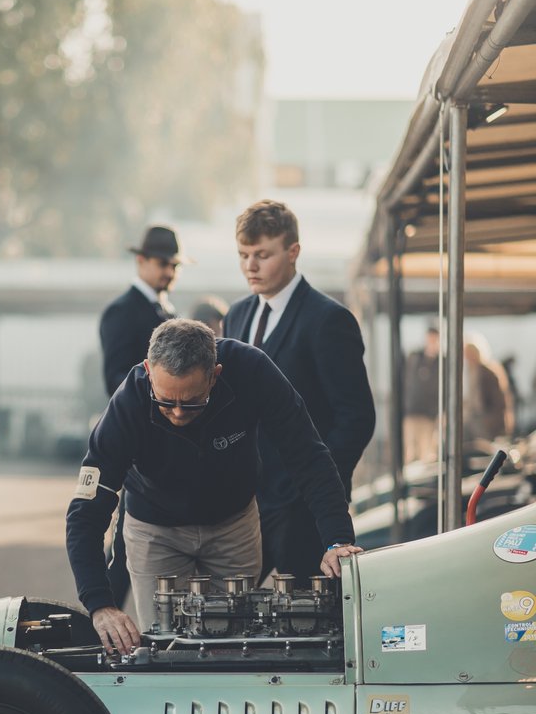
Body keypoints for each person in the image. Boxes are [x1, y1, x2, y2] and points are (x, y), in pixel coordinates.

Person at [66, 318, 360, 654]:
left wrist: (337, 537)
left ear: (215, 374)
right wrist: (100, 604)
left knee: (235, 647)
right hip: (155, 530)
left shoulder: (253, 371)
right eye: (165, 402)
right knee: (167, 648)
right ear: (148, 371)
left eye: (191, 402)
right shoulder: (126, 406)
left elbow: (307, 455)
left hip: (233, 525)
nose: (177, 413)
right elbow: (85, 512)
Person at [222, 199, 375, 584]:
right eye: (243, 255)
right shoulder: (236, 315)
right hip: (244, 505)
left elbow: (356, 417)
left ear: (293, 252)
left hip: (307, 510)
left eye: (262, 254)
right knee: (227, 620)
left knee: (311, 624)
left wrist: (317, 489)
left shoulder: (329, 320)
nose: (250, 266)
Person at [98, 225, 186, 607]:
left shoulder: (167, 311)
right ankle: (98, 616)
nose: (169, 271)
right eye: (163, 263)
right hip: (141, 437)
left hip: (175, 440)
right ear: (141, 262)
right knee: (125, 540)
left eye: (174, 264)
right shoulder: (121, 312)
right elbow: (116, 379)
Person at [463, 337, 514, 442]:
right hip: (477, 418)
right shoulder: (471, 371)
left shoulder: (489, 372)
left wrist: (490, 420)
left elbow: (500, 400)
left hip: (487, 420)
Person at [403, 325, 441, 464]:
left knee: (427, 452)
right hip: (412, 410)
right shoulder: (415, 358)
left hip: (429, 415)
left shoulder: (441, 362)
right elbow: (407, 382)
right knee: (410, 451)